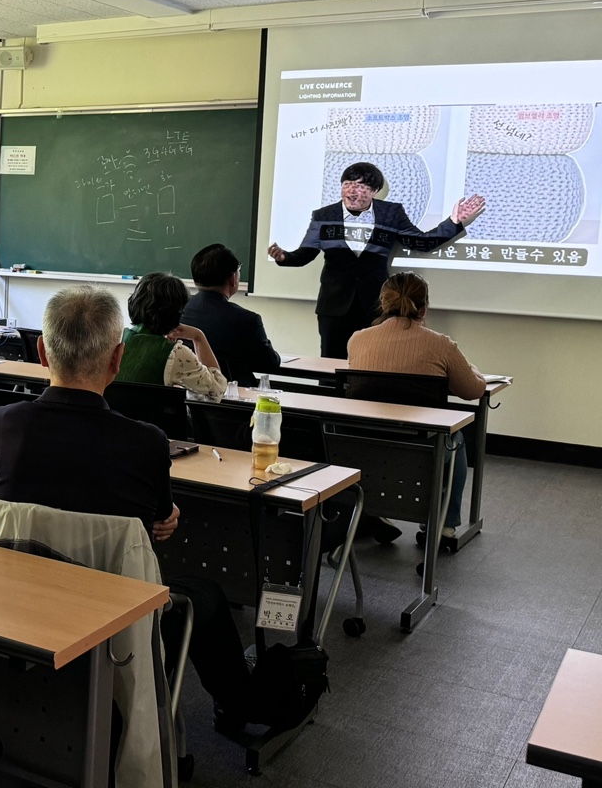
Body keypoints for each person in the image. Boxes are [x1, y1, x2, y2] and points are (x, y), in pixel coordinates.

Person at [0, 285, 257, 728]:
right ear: (117, 359)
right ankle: (241, 708)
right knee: (206, 593)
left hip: (17, 597)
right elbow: (159, 521)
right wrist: (165, 518)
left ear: (41, 353)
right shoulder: (146, 441)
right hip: (113, 611)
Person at [268, 161, 486, 358]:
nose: (351, 191)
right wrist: (284, 257)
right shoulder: (324, 215)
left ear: (375, 191)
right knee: (331, 365)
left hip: (375, 306)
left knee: (373, 360)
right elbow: (305, 253)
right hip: (334, 306)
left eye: (360, 186)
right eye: (347, 184)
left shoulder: (391, 213)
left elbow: (422, 242)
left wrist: (454, 221)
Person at [347, 272, 486, 536]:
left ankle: (372, 509)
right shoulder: (441, 344)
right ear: (423, 308)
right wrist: (475, 371)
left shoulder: (357, 339)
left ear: (384, 303)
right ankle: (444, 524)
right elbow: (473, 391)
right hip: (423, 447)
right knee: (456, 437)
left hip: (363, 444)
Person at [180, 244, 281, 387]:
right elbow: (269, 364)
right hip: (234, 395)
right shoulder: (247, 320)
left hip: (189, 391)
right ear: (233, 278)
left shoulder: (178, 310)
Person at [116, 272, 227, 397]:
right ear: (176, 312)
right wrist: (198, 337)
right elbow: (216, 391)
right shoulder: (174, 353)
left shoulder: (115, 338)